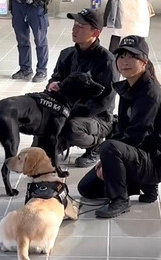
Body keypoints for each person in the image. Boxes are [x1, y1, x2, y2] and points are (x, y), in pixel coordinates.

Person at [77, 35, 161, 218]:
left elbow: (136, 135)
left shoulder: (150, 94)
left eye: (131, 57)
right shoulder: (128, 87)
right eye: (121, 56)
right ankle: (145, 187)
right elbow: (122, 130)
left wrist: (108, 155)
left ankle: (120, 200)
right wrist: (106, 163)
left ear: (144, 62)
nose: (125, 62)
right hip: (142, 155)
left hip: (158, 162)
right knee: (87, 188)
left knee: (109, 146)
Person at [47, 8, 119, 168]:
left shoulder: (107, 61)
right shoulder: (67, 54)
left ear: (96, 33)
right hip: (68, 112)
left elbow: (105, 101)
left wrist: (71, 114)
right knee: (43, 143)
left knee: (72, 128)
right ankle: (60, 141)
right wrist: (53, 84)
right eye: (75, 24)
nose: (74, 29)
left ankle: (97, 145)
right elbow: (56, 77)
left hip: (98, 117)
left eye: (81, 26)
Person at [9, 0, 50, 83]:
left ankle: (41, 71)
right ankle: (25, 69)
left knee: (40, 41)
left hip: (36, 5)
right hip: (18, 5)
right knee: (22, 40)